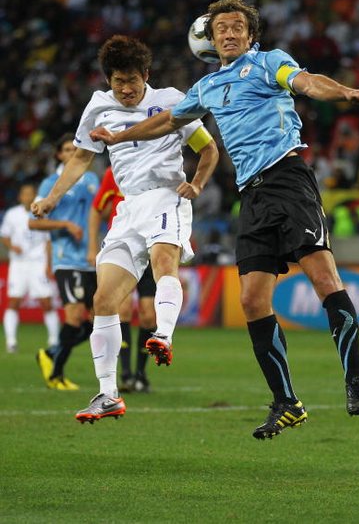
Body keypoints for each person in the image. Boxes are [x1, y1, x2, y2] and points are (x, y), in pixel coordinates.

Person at [90, 0, 359, 440]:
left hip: (288, 179)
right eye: (221, 28)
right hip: (251, 195)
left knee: (324, 278)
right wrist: (120, 135)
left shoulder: (268, 63)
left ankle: (355, 377)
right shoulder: (207, 86)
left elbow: (306, 82)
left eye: (237, 27)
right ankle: (287, 402)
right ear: (211, 39)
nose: (228, 33)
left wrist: (345, 92)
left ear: (250, 35)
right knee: (251, 301)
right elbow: (168, 120)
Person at [31, 35, 219, 424]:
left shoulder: (171, 100)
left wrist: (197, 184)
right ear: (109, 80)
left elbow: (208, 149)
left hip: (166, 196)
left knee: (164, 262)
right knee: (103, 300)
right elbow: (81, 158)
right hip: (128, 207)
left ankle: (162, 335)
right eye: (119, 81)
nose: (126, 89)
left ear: (146, 75)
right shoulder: (98, 106)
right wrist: (51, 198)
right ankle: (108, 394)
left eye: (132, 80)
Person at [29, 133, 99, 390]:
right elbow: (33, 222)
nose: (71, 153)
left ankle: (49, 354)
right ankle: (56, 374)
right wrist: (65, 225)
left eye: (75, 149)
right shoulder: (50, 184)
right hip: (66, 258)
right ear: (59, 155)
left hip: (91, 257)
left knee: (96, 322)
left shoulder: (91, 180)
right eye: (67, 150)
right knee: (74, 316)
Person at [88, 166, 156, 393]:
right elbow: (97, 208)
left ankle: (141, 374)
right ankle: (125, 373)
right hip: (123, 251)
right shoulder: (115, 171)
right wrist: (91, 247)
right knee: (123, 311)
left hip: (150, 248)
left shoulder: (157, 166)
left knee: (149, 315)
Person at [0, 183, 59, 353]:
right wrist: (12, 246)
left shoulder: (42, 213)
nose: (27, 197)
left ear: (35, 196)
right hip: (18, 263)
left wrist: (48, 264)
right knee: (14, 301)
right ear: (20, 197)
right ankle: (11, 341)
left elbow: (48, 241)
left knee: (46, 302)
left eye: (30, 193)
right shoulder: (12, 214)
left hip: (38, 262)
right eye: (24, 194)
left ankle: (54, 340)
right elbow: (4, 236)